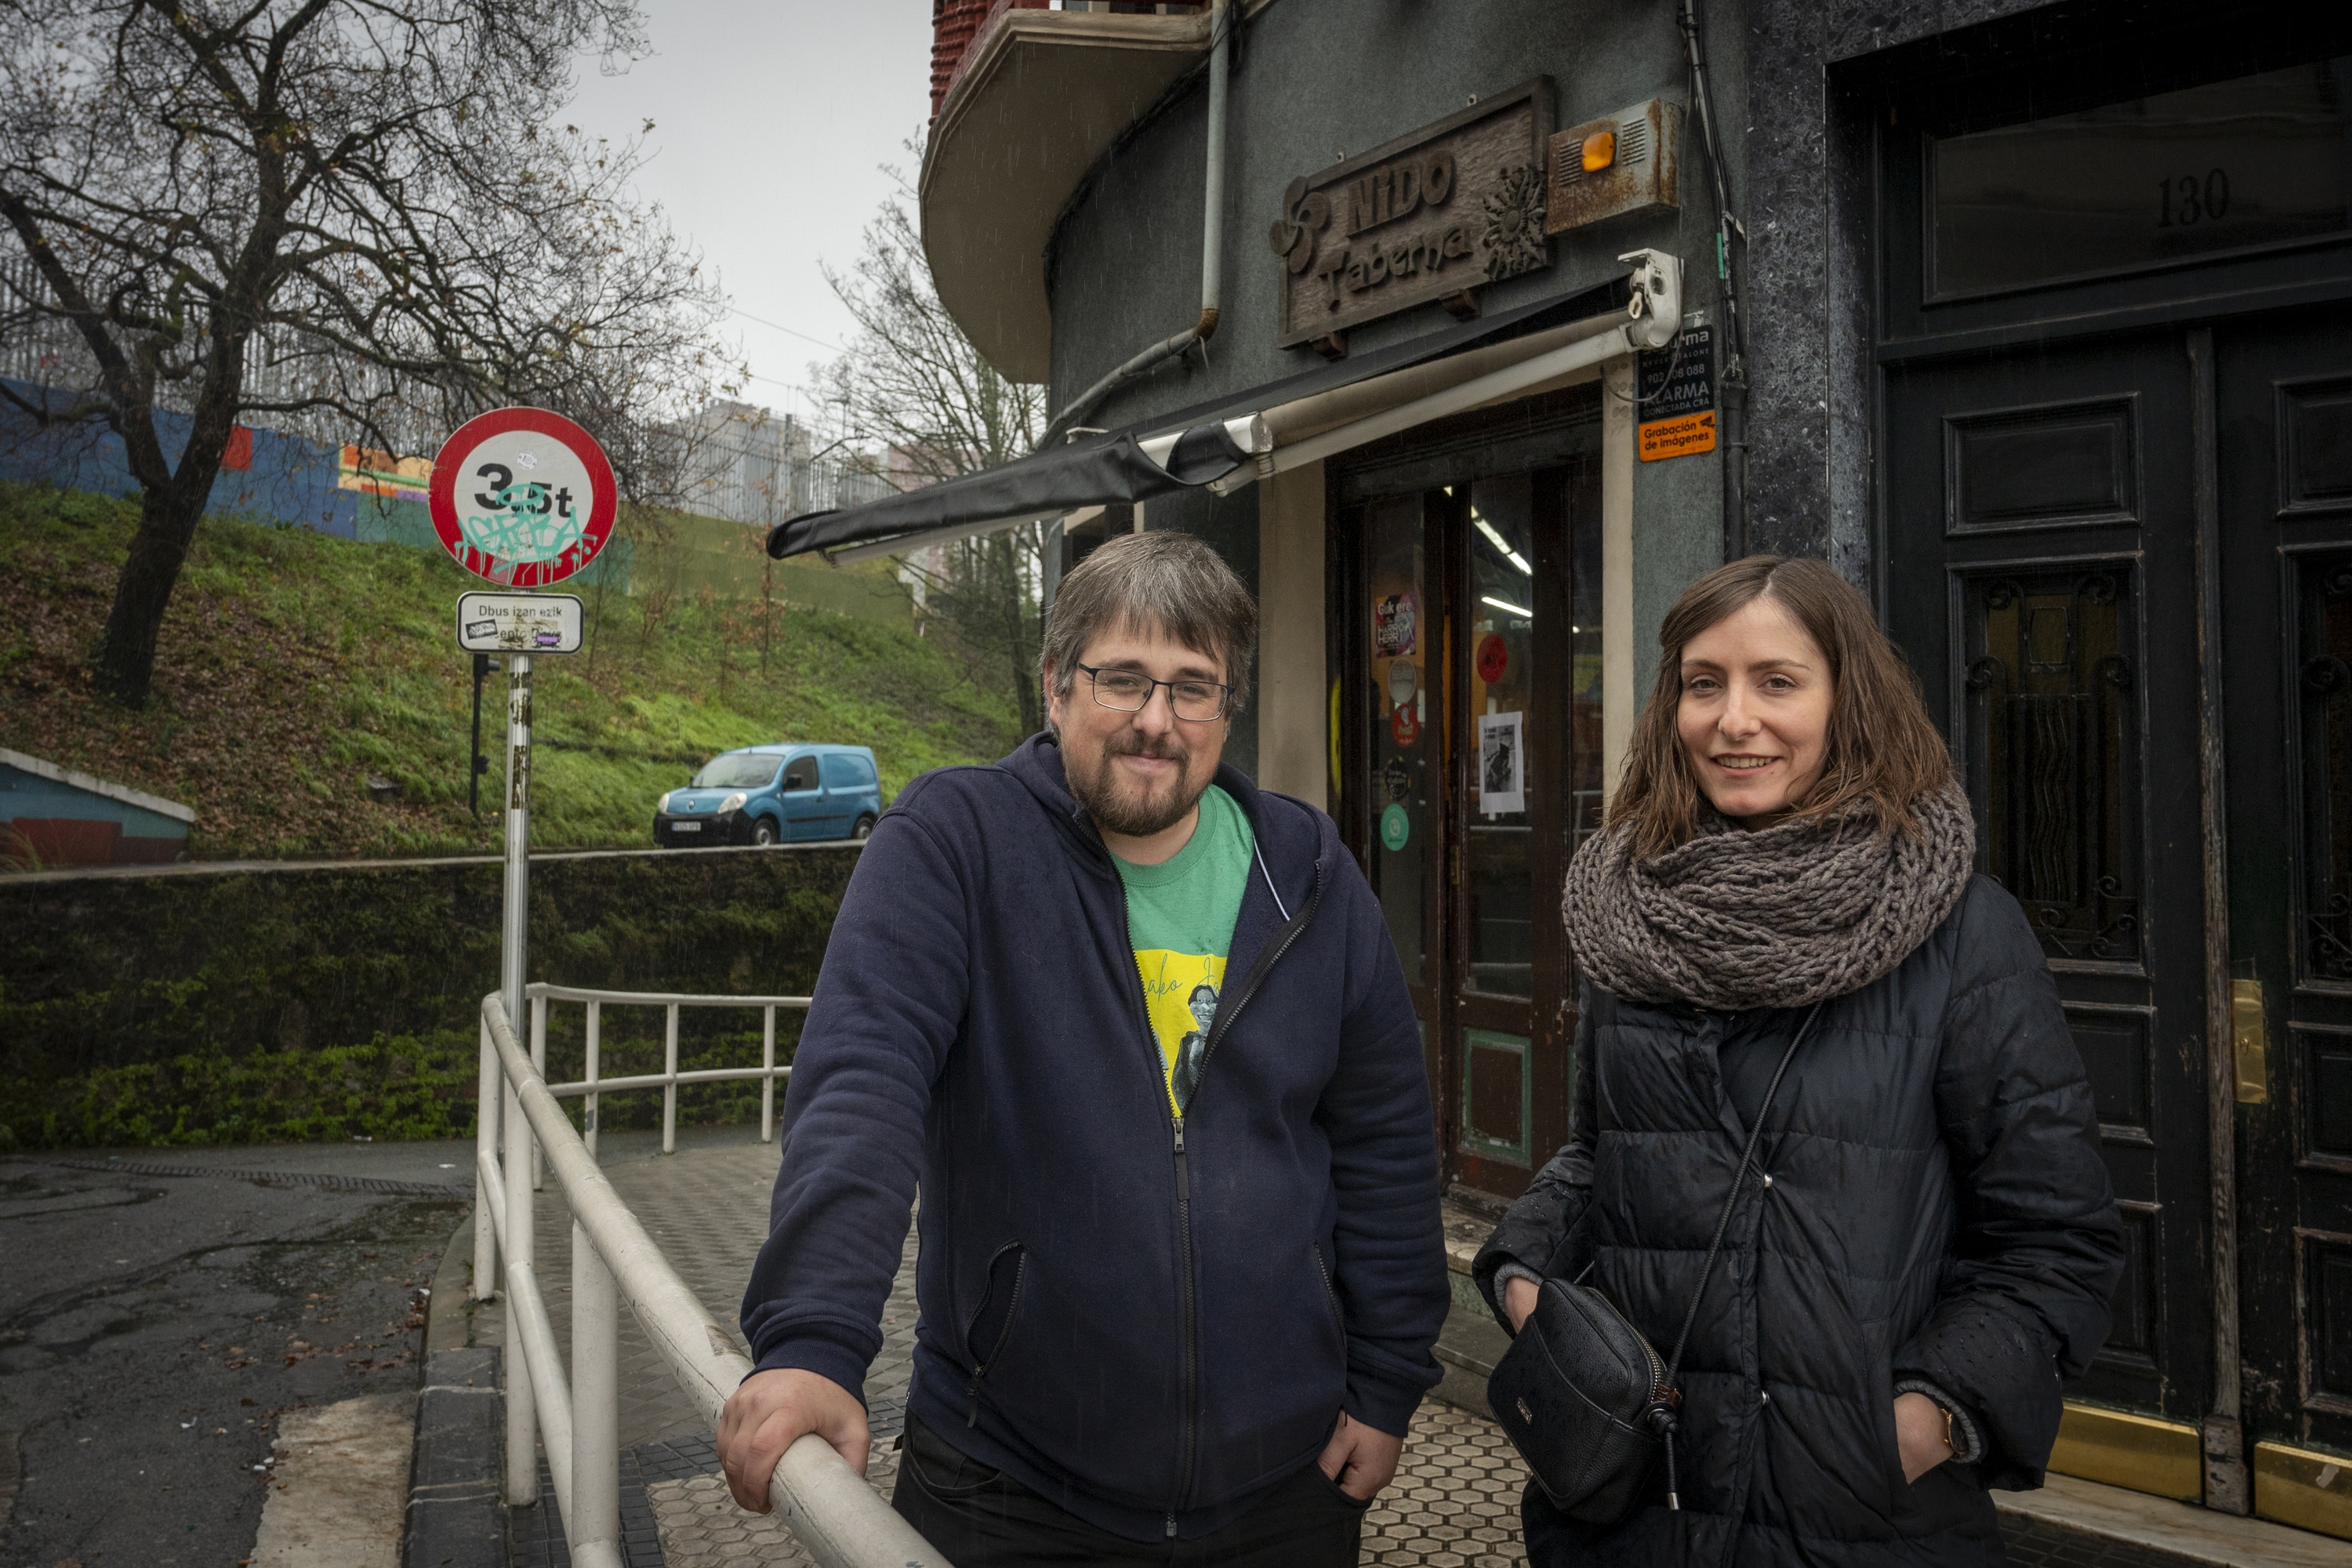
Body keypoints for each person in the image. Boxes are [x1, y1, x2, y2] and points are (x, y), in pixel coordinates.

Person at [719, 530, 1449, 1566]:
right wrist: (811, 1346)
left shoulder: (1311, 875)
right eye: (1124, 679)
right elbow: (861, 1086)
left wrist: (1386, 1386)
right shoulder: (956, 841)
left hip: (1283, 1489)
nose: (1157, 720)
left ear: (1227, 711)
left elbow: (1383, 1143)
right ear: (1058, 686)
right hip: (1010, 1481)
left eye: (1193, 687)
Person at [1475, 554, 2124, 1567]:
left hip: (1861, 1525)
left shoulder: (1958, 935)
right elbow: (1599, 1158)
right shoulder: (1629, 914)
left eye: (1778, 681)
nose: (1735, 720)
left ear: (1848, 700)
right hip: (1633, 1511)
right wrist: (1522, 1274)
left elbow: (2057, 1243)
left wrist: (1926, 1421)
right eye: (1704, 683)